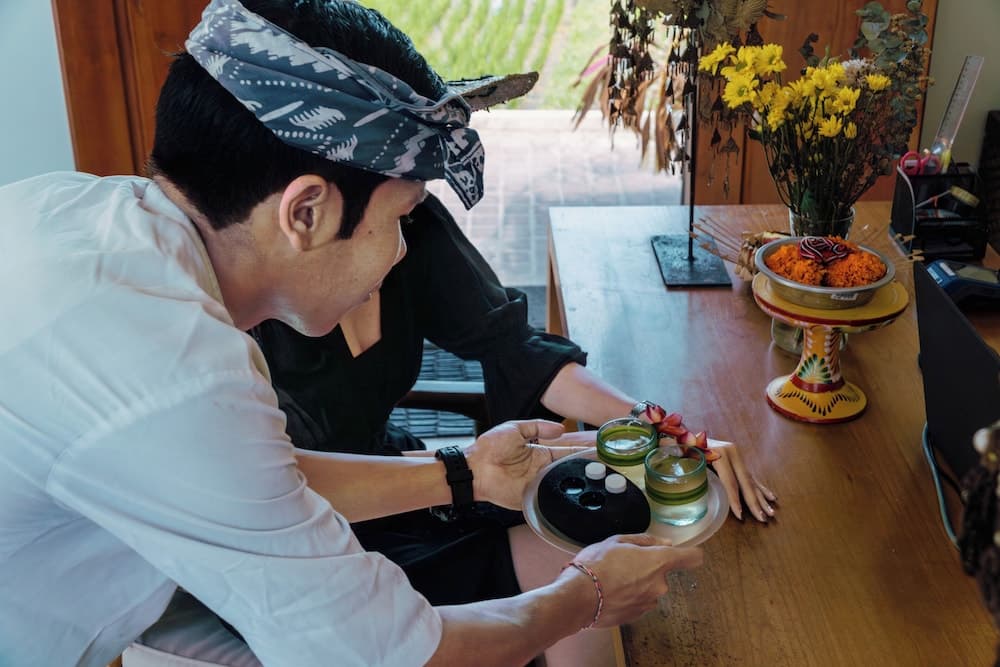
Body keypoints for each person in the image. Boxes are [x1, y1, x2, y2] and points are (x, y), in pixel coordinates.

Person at [0, 1, 705, 666]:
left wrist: (467, 471)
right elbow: (398, 654)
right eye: (399, 218)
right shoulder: (183, 374)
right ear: (305, 212)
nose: (401, 252)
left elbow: (261, 477)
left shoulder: (70, 208)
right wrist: (587, 596)